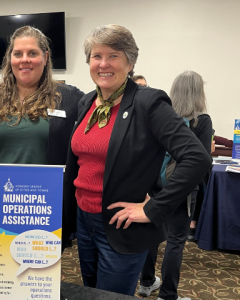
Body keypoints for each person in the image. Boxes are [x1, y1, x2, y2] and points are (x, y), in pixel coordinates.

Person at [62, 25, 211, 296]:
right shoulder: (86, 103)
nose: (103, 64)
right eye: (96, 56)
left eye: (114, 56)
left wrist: (154, 206)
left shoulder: (148, 102)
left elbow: (197, 158)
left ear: (130, 62)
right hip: (85, 222)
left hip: (121, 226)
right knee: (90, 292)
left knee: (111, 297)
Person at [0, 26, 84, 165]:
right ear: (10, 58)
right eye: (18, 54)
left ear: (45, 57)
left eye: (32, 53)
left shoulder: (70, 97)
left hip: (49, 186)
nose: (24, 59)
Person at [138, 71, 212, 300]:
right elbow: (202, 160)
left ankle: (146, 283)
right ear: (199, 91)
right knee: (176, 240)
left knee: (151, 235)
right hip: (181, 189)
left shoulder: (163, 115)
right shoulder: (201, 120)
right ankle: (168, 295)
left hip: (154, 185)